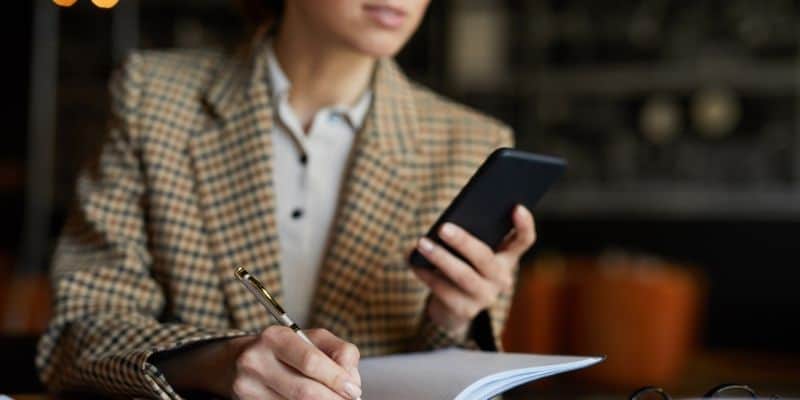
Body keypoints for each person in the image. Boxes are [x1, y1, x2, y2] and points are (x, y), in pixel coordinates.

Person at [35, 0, 537, 399]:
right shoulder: (152, 99)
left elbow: (452, 378)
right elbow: (80, 334)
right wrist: (213, 363)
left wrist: (453, 322)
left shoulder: (470, 143)